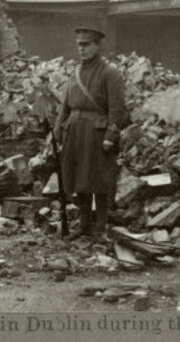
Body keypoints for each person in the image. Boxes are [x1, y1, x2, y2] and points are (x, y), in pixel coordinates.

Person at [53, 25, 130, 240]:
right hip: (75, 131)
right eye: (79, 45)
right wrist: (58, 131)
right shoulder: (75, 72)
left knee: (100, 181)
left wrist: (110, 136)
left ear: (98, 45)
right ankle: (84, 225)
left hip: (97, 133)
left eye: (87, 45)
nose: (82, 49)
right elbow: (65, 106)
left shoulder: (110, 73)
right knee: (80, 180)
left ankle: (101, 227)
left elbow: (118, 109)